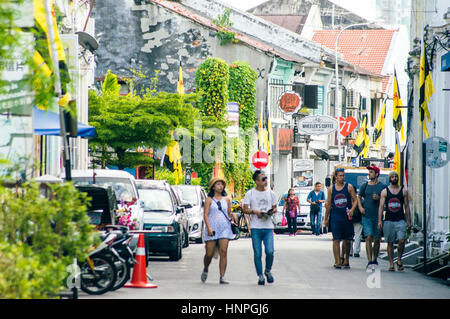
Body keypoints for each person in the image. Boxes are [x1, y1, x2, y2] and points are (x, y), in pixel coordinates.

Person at [243, 170, 278, 285]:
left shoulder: (271, 193)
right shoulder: (250, 193)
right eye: (263, 179)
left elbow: (275, 208)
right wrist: (254, 211)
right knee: (257, 253)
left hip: (268, 227)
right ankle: (260, 276)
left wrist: (271, 212)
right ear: (256, 181)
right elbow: (244, 209)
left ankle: (268, 270)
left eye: (266, 178)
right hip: (255, 227)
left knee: (270, 251)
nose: (265, 181)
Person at [201, 177, 237, 284]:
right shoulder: (209, 200)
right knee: (209, 253)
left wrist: (233, 215)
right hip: (212, 228)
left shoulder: (227, 200)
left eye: (222, 184)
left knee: (223, 252)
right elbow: (206, 215)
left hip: (224, 228)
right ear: (213, 187)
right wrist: (208, 228)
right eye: (218, 184)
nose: (220, 186)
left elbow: (229, 214)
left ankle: (222, 276)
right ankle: (206, 268)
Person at [324, 168, 357, 269]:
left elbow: (355, 200)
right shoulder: (331, 189)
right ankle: (337, 261)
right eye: (340, 175)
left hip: (346, 217)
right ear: (336, 177)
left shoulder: (349, 187)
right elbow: (328, 204)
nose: (342, 177)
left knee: (347, 240)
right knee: (336, 239)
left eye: (343, 175)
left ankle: (346, 259)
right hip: (335, 216)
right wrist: (326, 219)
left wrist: (352, 209)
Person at [378, 171, 412, 271]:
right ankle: (391, 263)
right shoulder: (385, 191)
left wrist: (409, 221)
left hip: (400, 220)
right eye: (392, 177)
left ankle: (399, 259)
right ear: (389, 179)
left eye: (396, 176)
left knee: (402, 240)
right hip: (389, 220)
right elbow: (381, 207)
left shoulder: (403, 191)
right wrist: (380, 220)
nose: (394, 178)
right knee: (390, 242)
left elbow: (406, 206)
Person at [358, 166, 386, 268]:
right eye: (369, 172)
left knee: (377, 239)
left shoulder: (382, 187)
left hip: (377, 216)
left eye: (371, 172)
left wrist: (379, 198)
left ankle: (375, 259)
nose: (369, 174)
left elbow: (385, 201)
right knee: (368, 237)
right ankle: (369, 260)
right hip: (366, 216)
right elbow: (359, 197)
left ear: (377, 174)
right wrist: (360, 206)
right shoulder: (365, 186)